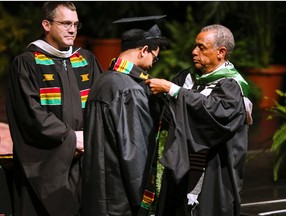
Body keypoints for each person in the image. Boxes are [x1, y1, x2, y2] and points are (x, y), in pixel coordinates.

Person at [6, 2, 102, 216]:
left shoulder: (85, 59)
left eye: (76, 24)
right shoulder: (27, 63)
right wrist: (70, 138)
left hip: (83, 161)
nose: (72, 29)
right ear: (46, 24)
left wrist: (90, 135)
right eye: (66, 23)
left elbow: (100, 104)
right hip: (46, 163)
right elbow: (30, 114)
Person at [145, 24, 253, 216]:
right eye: (195, 46)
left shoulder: (232, 86)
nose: (194, 52)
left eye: (201, 47)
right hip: (180, 173)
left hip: (214, 172)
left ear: (221, 52)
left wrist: (174, 91)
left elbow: (213, 115)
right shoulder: (187, 77)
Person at [81, 16, 168, 216]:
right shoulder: (129, 90)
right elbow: (135, 154)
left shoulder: (102, 81)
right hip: (121, 199)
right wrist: (146, 201)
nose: (153, 64)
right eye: (155, 57)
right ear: (144, 50)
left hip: (96, 192)